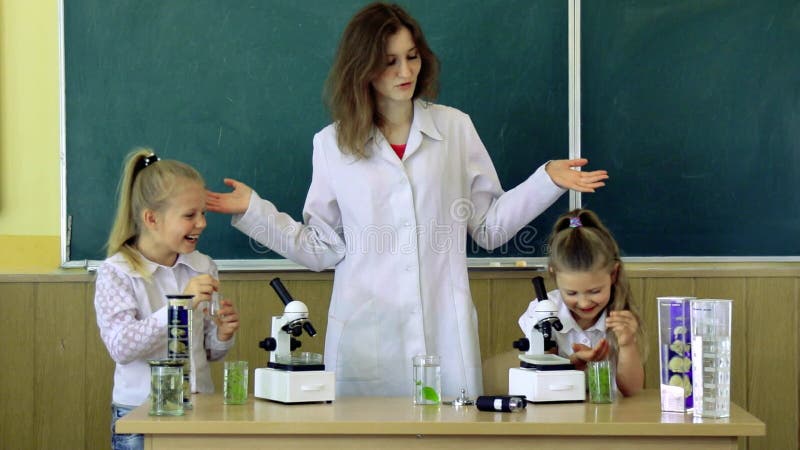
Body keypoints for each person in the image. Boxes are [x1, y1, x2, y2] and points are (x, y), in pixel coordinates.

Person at [206, 2, 607, 398]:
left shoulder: (454, 128)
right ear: (362, 68)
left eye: (412, 57)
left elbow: (488, 229)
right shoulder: (332, 144)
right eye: (390, 61)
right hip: (366, 336)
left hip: (443, 334)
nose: (405, 71)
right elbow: (321, 248)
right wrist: (253, 212)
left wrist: (546, 181)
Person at [94, 149, 240, 450]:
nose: (201, 223)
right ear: (151, 218)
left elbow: (208, 351)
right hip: (141, 414)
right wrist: (179, 306)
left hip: (200, 410)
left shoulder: (203, 266)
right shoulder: (117, 272)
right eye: (189, 215)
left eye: (203, 214)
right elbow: (121, 346)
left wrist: (222, 335)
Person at [518, 209, 645, 396]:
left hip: (608, 416)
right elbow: (541, 382)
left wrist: (627, 344)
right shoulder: (542, 310)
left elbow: (631, 390)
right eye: (571, 293)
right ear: (553, 274)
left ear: (613, 274)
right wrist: (572, 363)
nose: (584, 303)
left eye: (595, 291)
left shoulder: (621, 317)